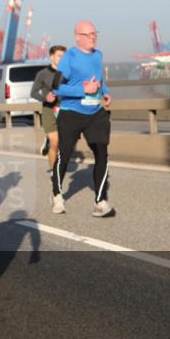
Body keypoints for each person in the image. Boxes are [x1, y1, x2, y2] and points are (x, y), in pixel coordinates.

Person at [51, 21, 115, 217]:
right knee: (64, 154)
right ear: (77, 36)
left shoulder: (98, 55)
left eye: (94, 33)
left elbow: (98, 78)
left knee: (102, 153)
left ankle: (100, 201)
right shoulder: (69, 57)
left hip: (95, 112)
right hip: (71, 113)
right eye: (87, 34)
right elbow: (56, 87)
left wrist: (104, 92)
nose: (92, 37)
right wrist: (83, 90)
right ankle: (57, 195)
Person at [30, 45, 66, 173]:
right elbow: (33, 93)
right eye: (59, 56)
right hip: (49, 110)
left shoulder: (68, 73)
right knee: (55, 142)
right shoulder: (42, 74)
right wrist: (45, 97)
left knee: (63, 144)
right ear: (51, 57)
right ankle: (53, 171)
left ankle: (47, 141)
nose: (62, 58)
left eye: (64, 56)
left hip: (65, 110)